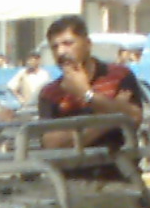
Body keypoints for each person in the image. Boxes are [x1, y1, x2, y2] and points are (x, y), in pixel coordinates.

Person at [34, 15, 144, 148]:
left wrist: (86, 94)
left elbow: (134, 118)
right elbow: (51, 143)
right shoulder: (50, 92)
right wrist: (109, 118)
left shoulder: (118, 75)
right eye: (54, 47)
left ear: (87, 44)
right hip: (69, 168)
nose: (61, 52)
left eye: (68, 44)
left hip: (118, 166)